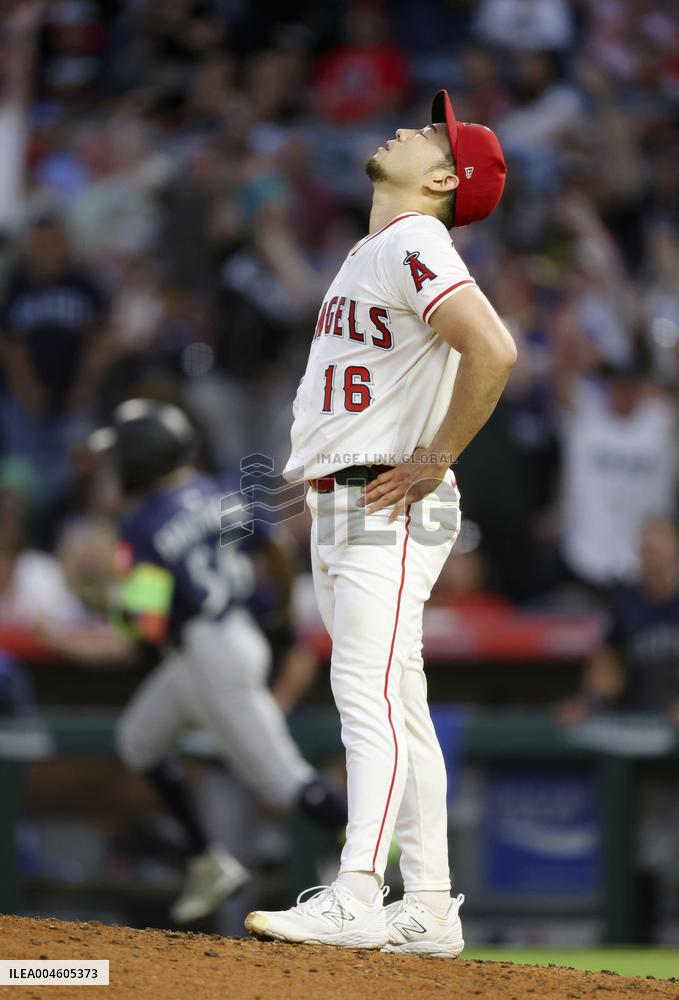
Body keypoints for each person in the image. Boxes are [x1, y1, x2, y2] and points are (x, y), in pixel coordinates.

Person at [245, 90, 516, 955]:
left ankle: (358, 888)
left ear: (442, 177)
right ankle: (429, 903)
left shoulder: (413, 238)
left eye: (433, 133)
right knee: (396, 698)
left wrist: (434, 458)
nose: (413, 126)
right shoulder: (383, 246)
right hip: (350, 496)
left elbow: (495, 349)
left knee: (364, 693)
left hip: (382, 499)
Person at [46, 399, 347, 925]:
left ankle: (380, 839)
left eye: (121, 456)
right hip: (224, 640)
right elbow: (275, 547)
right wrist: (277, 620)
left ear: (141, 459)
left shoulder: (144, 523)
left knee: (284, 783)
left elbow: (144, 629)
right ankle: (208, 860)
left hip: (212, 655)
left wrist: (103, 604)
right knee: (139, 740)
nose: (115, 467)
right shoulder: (221, 491)